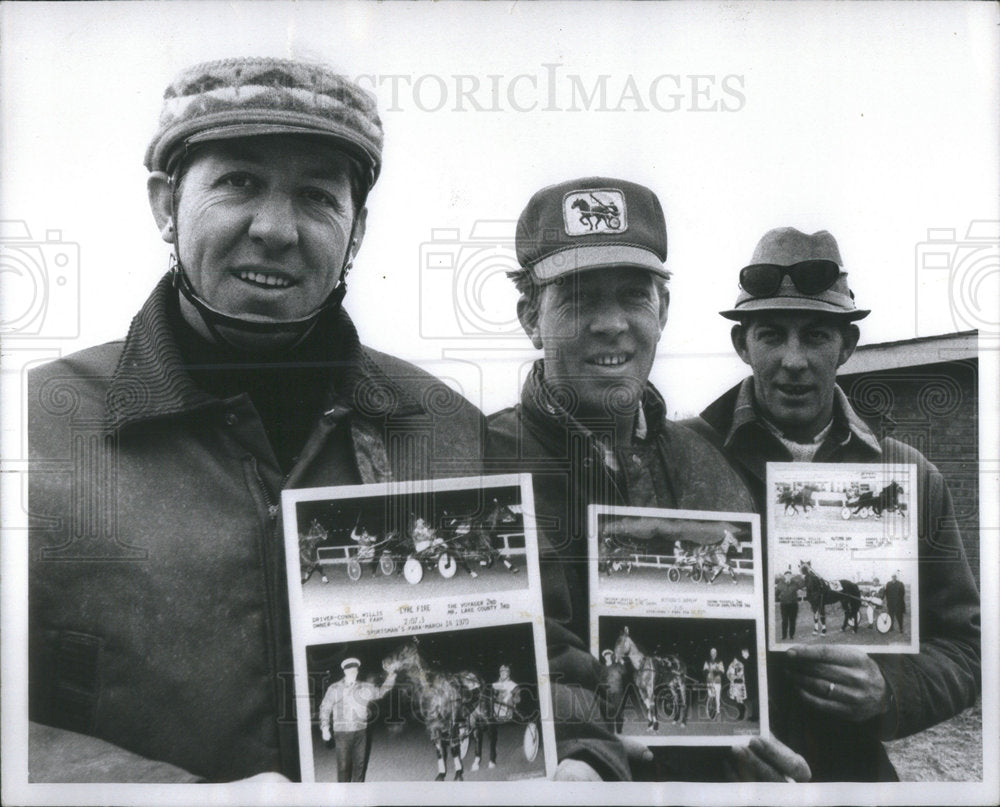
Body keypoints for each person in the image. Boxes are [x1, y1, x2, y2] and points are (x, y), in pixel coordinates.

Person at [28, 57, 483, 783]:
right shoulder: (33, 430)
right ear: (164, 203)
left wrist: (588, 756)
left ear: (357, 229)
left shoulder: (445, 427)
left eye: (316, 196)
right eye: (238, 181)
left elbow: (543, 655)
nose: (276, 228)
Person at [685, 226, 981, 781]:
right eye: (772, 334)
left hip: (852, 778)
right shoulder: (681, 457)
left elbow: (968, 646)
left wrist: (890, 689)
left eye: (816, 335)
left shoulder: (907, 476)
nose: (793, 360)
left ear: (847, 346)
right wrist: (707, 742)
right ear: (741, 344)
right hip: (717, 780)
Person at [486, 177, 758, 780]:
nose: (611, 324)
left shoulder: (713, 460)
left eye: (633, 295)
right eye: (579, 298)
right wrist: (587, 743)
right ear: (531, 316)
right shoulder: (479, 466)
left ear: (662, 310)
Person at [318, 658, 396, 782]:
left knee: (359, 765)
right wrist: (325, 728)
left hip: (361, 732)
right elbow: (325, 707)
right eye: (349, 670)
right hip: (342, 733)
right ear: (344, 671)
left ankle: (357, 794)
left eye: (354, 670)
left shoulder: (365, 687)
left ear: (357, 671)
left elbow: (381, 692)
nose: (352, 672)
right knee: (344, 767)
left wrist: (391, 676)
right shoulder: (335, 688)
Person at [776, 570, 800, 640]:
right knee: (784, 620)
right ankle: (784, 636)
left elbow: (802, 587)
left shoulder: (795, 583)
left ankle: (791, 635)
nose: (788, 577)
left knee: (792, 620)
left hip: (793, 605)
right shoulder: (780, 584)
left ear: (791, 577)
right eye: (787, 575)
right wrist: (778, 599)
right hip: (784, 605)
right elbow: (776, 593)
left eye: (790, 575)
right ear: (785, 576)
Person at [703, 648, 725, 721]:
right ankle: (710, 709)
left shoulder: (720, 661)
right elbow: (704, 670)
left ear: (716, 653)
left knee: (717, 696)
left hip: (717, 681)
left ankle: (718, 712)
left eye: (714, 653)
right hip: (709, 680)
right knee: (710, 695)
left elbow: (722, 671)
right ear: (710, 653)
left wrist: (716, 672)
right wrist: (707, 672)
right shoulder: (707, 661)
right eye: (712, 653)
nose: (713, 654)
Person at [726, 654, 747, 720]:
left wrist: (735, 676)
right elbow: (728, 673)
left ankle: (742, 713)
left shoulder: (741, 664)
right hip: (734, 684)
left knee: (739, 699)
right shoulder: (731, 664)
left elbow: (741, 674)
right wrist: (731, 677)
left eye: (736, 659)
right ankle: (740, 713)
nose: (735, 660)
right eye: (734, 659)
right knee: (737, 699)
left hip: (739, 684)